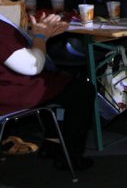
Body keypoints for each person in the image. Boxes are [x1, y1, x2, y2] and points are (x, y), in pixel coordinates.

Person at [0, 12, 95, 170]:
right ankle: (70, 158)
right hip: (9, 94)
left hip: (9, 87)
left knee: (55, 81)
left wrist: (38, 35)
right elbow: (32, 66)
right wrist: (40, 37)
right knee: (81, 90)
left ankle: (52, 143)